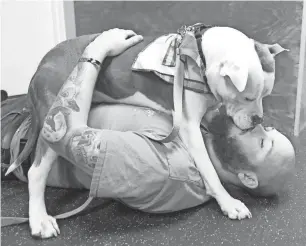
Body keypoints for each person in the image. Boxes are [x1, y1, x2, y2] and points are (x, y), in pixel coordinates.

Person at [39, 28, 295, 216]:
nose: (259, 123)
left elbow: (59, 133)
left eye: (264, 141)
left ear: (248, 178)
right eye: (271, 127)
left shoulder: (169, 170)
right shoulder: (207, 122)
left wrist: (95, 52)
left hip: (25, 136)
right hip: (60, 84)